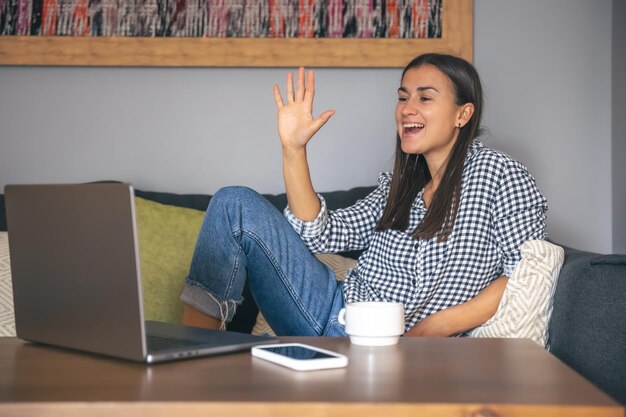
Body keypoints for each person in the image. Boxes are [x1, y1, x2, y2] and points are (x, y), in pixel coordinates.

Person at [180, 53, 547, 337]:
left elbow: (524, 271)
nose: (407, 109)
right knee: (234, 203)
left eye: (425, 97)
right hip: (331, 310)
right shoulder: (399, 185)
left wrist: (437, 327)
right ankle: (190, 356)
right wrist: (293, 149)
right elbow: (320, 233)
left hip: (384, 343)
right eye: (403, 97)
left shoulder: (499, 174)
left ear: (462, 114)